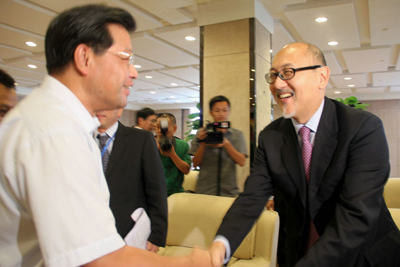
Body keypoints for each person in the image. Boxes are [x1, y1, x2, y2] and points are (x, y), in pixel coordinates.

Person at [0, 5, 210, 267]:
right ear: (84, 58)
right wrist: (193, 262)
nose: (133, 72)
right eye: (125, 58)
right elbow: (99, 260)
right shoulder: (55, 133)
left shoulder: (56, 122)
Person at [210, 42, 400, 267]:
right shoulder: (271, 136)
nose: (278, 84)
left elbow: (356, 217)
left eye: (288, 72)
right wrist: (221, 245)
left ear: (322, 77)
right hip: (299, 254)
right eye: (273, 76)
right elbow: (252, 197)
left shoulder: (363, 128)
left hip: (362, 257)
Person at [95, 108, 168, 253]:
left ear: (119, 110)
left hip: (130, 231)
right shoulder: (79, 139)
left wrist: (157, 234)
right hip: (89, 233)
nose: (100, 108)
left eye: (106, 104)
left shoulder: (141, 139)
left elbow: (156, 189)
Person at [190, 95, 247, 196]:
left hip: (229, 191)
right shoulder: (202, 133)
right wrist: (203, 143)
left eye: (225, 110)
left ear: (229, 111)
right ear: (210, 113)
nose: (221, 114)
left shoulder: (237, 134)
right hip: (205, 190)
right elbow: (195, 163)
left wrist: (227, 145)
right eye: (217, 110)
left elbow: (242, 162)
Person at [155, 113, 191, 196]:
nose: (160, 131)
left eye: (164, 127)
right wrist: (154, 150)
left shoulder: (182, 145)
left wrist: (172, 154)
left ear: (174, 129)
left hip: (176, 193)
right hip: (155, 193)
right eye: (157, 127)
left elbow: (186, 170)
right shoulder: (150, 144)